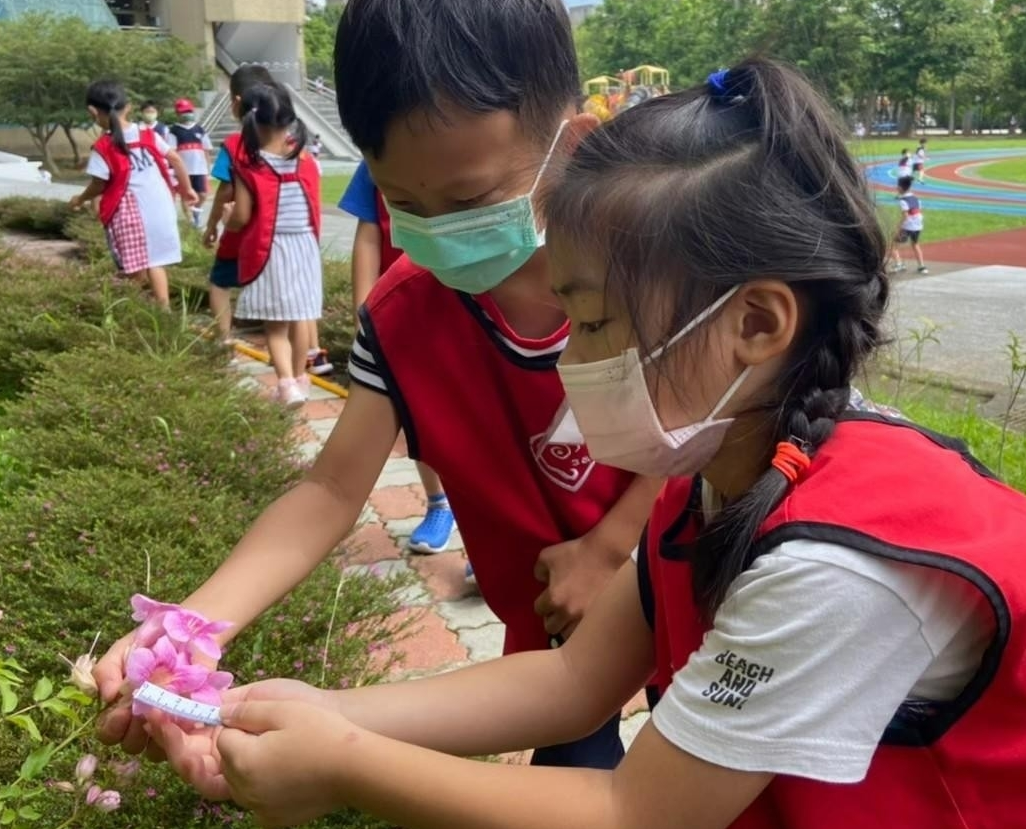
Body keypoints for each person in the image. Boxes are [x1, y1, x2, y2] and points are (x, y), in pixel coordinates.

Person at [147, 59, 1026, 829]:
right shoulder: (721, 474)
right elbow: (577, 681)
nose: (569, 360)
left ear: (756, 323)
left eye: (593, 321)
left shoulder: (841, 566)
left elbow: (634, 811)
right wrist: (312, 713)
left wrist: (346, 766)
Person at [94, 0, 660, 772]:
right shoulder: (405, 318)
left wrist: (616, 545)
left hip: (686, 585)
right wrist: (191, 625)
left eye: (466, 202)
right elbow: (330, 489)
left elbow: (725, 431)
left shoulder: (657, 275)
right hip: (550, 631)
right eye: (406, 204)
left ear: (575, 141)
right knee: (573, 768)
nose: (437, 233)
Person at [338, 161, 458, 560]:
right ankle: (439, 502)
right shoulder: (375, 162)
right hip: (405, 316)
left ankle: (491, 528)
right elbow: (369, 236)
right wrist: (365, 309)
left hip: (470, 308)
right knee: (420, 418)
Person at [220, 82, 325, 406]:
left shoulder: (248, 166)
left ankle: (285, 383)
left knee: (276, 326)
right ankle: (300, 379)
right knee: (299, 318)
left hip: (271, 250)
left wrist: (226, 218)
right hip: (305, 248)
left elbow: (242, 216)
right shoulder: (307, 159)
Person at [68, 79, 199, 308]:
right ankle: (163, 310)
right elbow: (175, 159)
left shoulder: (103, 146)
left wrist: (80, 198)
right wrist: (187, 189)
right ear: (128, 107)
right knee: (155, 262)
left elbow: (99, 184)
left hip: (130, 215)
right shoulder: (148, 134)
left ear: (92, 111)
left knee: (133, 269)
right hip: (160, 208)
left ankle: (129, 309)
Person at [204, 66, 278, 345]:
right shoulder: (289, 142)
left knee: (220, 281)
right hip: (276, 230)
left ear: (236, 103)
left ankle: (224, 339)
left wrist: (212, 226)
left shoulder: (235, 145)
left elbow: (225, 190)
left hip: (242, 230)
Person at [169, 98, 213, 228]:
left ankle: (195, 211)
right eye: (183, 112)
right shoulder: (174, 131)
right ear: (177, 114)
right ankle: (191, 222)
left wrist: (208, 166)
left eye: (188, 111)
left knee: (203, 195)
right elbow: (172, 151)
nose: (186, 114)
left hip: (199, 168)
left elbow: (206, 150)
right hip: (184, 170)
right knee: (185, 195)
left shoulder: (199, 129)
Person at [891, 175, 927, 275]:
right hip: (918, 225)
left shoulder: (903, 201)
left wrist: (897, 227)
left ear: (900, 188)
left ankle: (899, 264)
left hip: (908, 226)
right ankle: (922, 266)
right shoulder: (916, 198)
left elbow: (905, 216)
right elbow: (918, 211)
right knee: (915, 244)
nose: (896, 188)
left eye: (897, 186)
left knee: (893, 245)